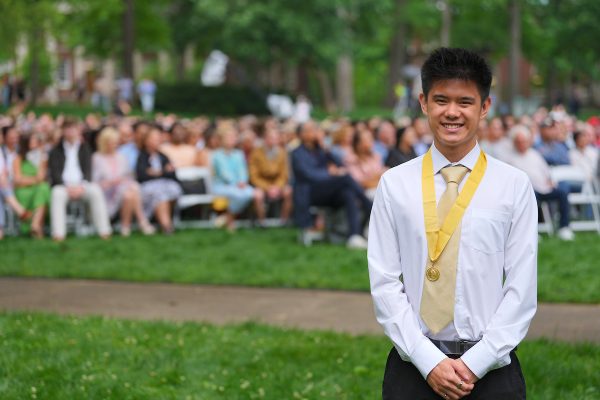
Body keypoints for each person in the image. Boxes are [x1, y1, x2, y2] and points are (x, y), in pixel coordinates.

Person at [368, 48, 537, 400]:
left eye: (465, 101)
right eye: (441, 99)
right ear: (424, 102)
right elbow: (384, 282)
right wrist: (429, 361)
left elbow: (521, 289)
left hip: (490, 369)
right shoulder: (395, 184)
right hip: (414, 365)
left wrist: (477, 361)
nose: (452, 112)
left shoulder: (513, 185)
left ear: (485, 107)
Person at [291, 121, 372, 249]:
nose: (313, 132)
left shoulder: (321, 150)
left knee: (348, 193)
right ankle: (370, 207)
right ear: (301, 135)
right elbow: (309, 175)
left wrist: (325, 147)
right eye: (310, 130)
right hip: (310, 192)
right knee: (344, 178)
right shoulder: (297, 153)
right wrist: (330, 173)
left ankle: (354, 236)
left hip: (327, 190)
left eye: (314, 129)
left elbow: (340, 164)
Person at [48, 118, 112, 241]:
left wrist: (82, 186)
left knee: (96, 191)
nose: (71, 132)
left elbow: (88, 170)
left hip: (82, 184)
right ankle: (58, 234)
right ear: (63, 131)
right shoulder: (55, 151)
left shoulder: (85, 148)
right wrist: (67, 187)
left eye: (73, 129)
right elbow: (54, 174)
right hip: (63, 186)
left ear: (78, 131)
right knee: (56, 194)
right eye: (68, 129)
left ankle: (104, 231)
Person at [507, 125, 575, 241]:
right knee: (531, 197)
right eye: (519, 141)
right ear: (514, 142)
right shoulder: (510, 158)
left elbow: (546, 171)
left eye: (524, 141)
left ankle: (564, 227)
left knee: (563, 192)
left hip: (544, 187)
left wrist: (550, 181)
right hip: (527, 191)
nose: (522, 144)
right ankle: (532, 231)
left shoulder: (534, 154)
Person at [93, 127, 155, 236]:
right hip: (106, 193)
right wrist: (113, 182)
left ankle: (126, 227)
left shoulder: (121, 157)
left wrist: (122, 181)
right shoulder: (97, 158)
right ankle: (141, 222)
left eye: (116, 142)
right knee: (131, 190)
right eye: (111, 142)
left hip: (124, 191)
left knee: (129, 192)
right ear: (105, 142)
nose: (114, 145)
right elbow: (95, 182)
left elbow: (129, 176)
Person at [211, 125, 260, 231]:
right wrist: (237, 183)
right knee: (240, 195)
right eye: (228, 137)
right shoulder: (216, 155)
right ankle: (230, 221)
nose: (231, 140)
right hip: (222, 186)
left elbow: (242, 170)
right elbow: (223, 173)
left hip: (238, 185)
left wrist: (242, 181)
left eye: (233, 138)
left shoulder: (238, 154)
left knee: (253, 193)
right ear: (222, 140)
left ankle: (227, 217)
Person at [136, 126, 182, 234]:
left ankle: (165, 223)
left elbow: (173, 174)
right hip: (148, 188)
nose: (157, 141)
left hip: (166, 186)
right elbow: (142, 175)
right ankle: (166, 225)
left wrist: (157, 172)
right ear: (146, 140)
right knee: (160, 193)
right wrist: (163, 172)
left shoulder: (163, 156)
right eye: (154, 138)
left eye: (158, 138)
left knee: (172, 190)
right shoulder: (142, 156)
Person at [249, 127, 293, 224]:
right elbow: (254, 176)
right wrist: (267, 187)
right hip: (262, 184)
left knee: (289, 192)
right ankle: (262, 222)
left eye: (275, 138)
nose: (273, 140)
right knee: (257, 195)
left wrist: (277, 187)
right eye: (271, 138)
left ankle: (284, 221)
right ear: (265, 139)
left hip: (277, 184)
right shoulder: (256, 153)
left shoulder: (282, 153)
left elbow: (284, 174)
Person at [13, 132, 51, 238]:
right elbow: (18, 180)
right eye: (33, 140)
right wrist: (34, 180)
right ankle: (37, 226)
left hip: (37, 188)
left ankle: (35, 224)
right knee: (43, 189)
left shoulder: (41, 157)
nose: (35, 142)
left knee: (43, 188)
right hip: (23, 190)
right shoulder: (18, 158)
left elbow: (41, 176)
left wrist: (40, 156)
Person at [347, 129, 385, 199]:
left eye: (371, 138)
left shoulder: (375, 156)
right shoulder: (352, 159)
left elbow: (382, 174)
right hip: (364, 194)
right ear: (358, 144)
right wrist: (376, 177)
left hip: (378, 188)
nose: (371, 142)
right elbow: (360, 183)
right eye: (367, 139)